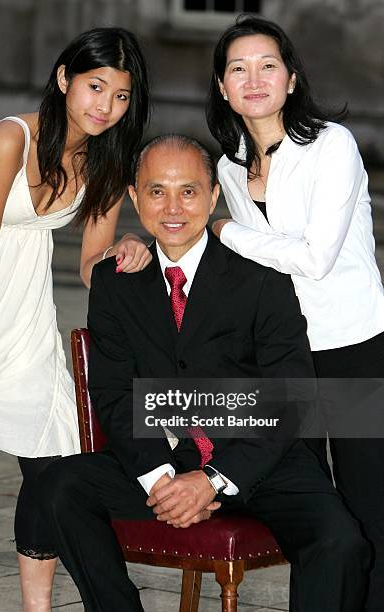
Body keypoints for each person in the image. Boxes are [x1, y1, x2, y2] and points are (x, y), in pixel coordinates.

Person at [38, 135, 370, 612]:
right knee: (58, 488)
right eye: (157, 191)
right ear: (135, 197)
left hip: (258, 463)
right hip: (168, 457)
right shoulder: (115, 283)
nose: (173, 207)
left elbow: (290, 395)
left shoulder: (262, 276)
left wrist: (211, 479)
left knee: (341, 542)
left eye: (189, 191)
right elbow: (113, 394)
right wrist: (160, 480)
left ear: (213, 196)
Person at [0, 27, 151, 612]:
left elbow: (88, 265)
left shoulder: (109, 157)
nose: (106, 106)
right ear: (64, 79)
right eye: (95, 86)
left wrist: (123, 249)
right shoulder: (12, 138)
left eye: (122, 95)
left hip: (22, 288)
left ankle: (37, 606)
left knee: (53, 446)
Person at [206, 15, 384, 612]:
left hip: (353, 346)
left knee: (369, 507)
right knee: (314, 515)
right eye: (238, 68)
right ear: (223, 87)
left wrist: (227, 231)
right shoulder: (230, 167)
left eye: (267, 66)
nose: (253, 79)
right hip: (285, 359)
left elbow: (313, 260)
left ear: (291, 79)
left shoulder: (332, 146)